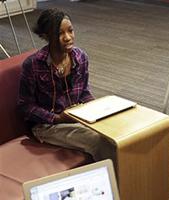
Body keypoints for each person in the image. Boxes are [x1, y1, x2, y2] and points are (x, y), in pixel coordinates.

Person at [18, 9, 116, 164]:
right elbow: (25, 106)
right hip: (46, 126)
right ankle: (119, 186)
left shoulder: (81, 57)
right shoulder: (33, 65)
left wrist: (97, 108)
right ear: (46, 36)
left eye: (70, 31)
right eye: (60, 34)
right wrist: (57, 118)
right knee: (98, 141)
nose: (68, 37)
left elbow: (83, 91)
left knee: (116, 133)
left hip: (77, 118)